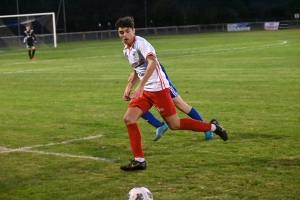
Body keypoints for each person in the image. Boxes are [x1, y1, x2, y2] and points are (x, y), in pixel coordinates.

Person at [115, 16, 228, 171]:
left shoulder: (141, 43)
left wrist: (140, 86)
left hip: (158, 89)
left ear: (133, 30)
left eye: (128, 31)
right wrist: (128, 87)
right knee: (129, 118)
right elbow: (138, 69)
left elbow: (153, 62)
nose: (124, 35)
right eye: (121, 32)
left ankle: (213, 127)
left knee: (174, 124)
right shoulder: (126, 50)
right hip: (146, 91)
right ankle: (139, 160)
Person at [128, 67, 214, 141]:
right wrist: (136, 72)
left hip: (162, 83)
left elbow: (151, 62)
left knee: (181, 105)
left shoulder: (144, 48)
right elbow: (140, 63)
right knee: (135, 104)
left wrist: (136, 75)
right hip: (149, 86)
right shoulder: (131, 50)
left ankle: (207, 128)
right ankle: (159, 125)